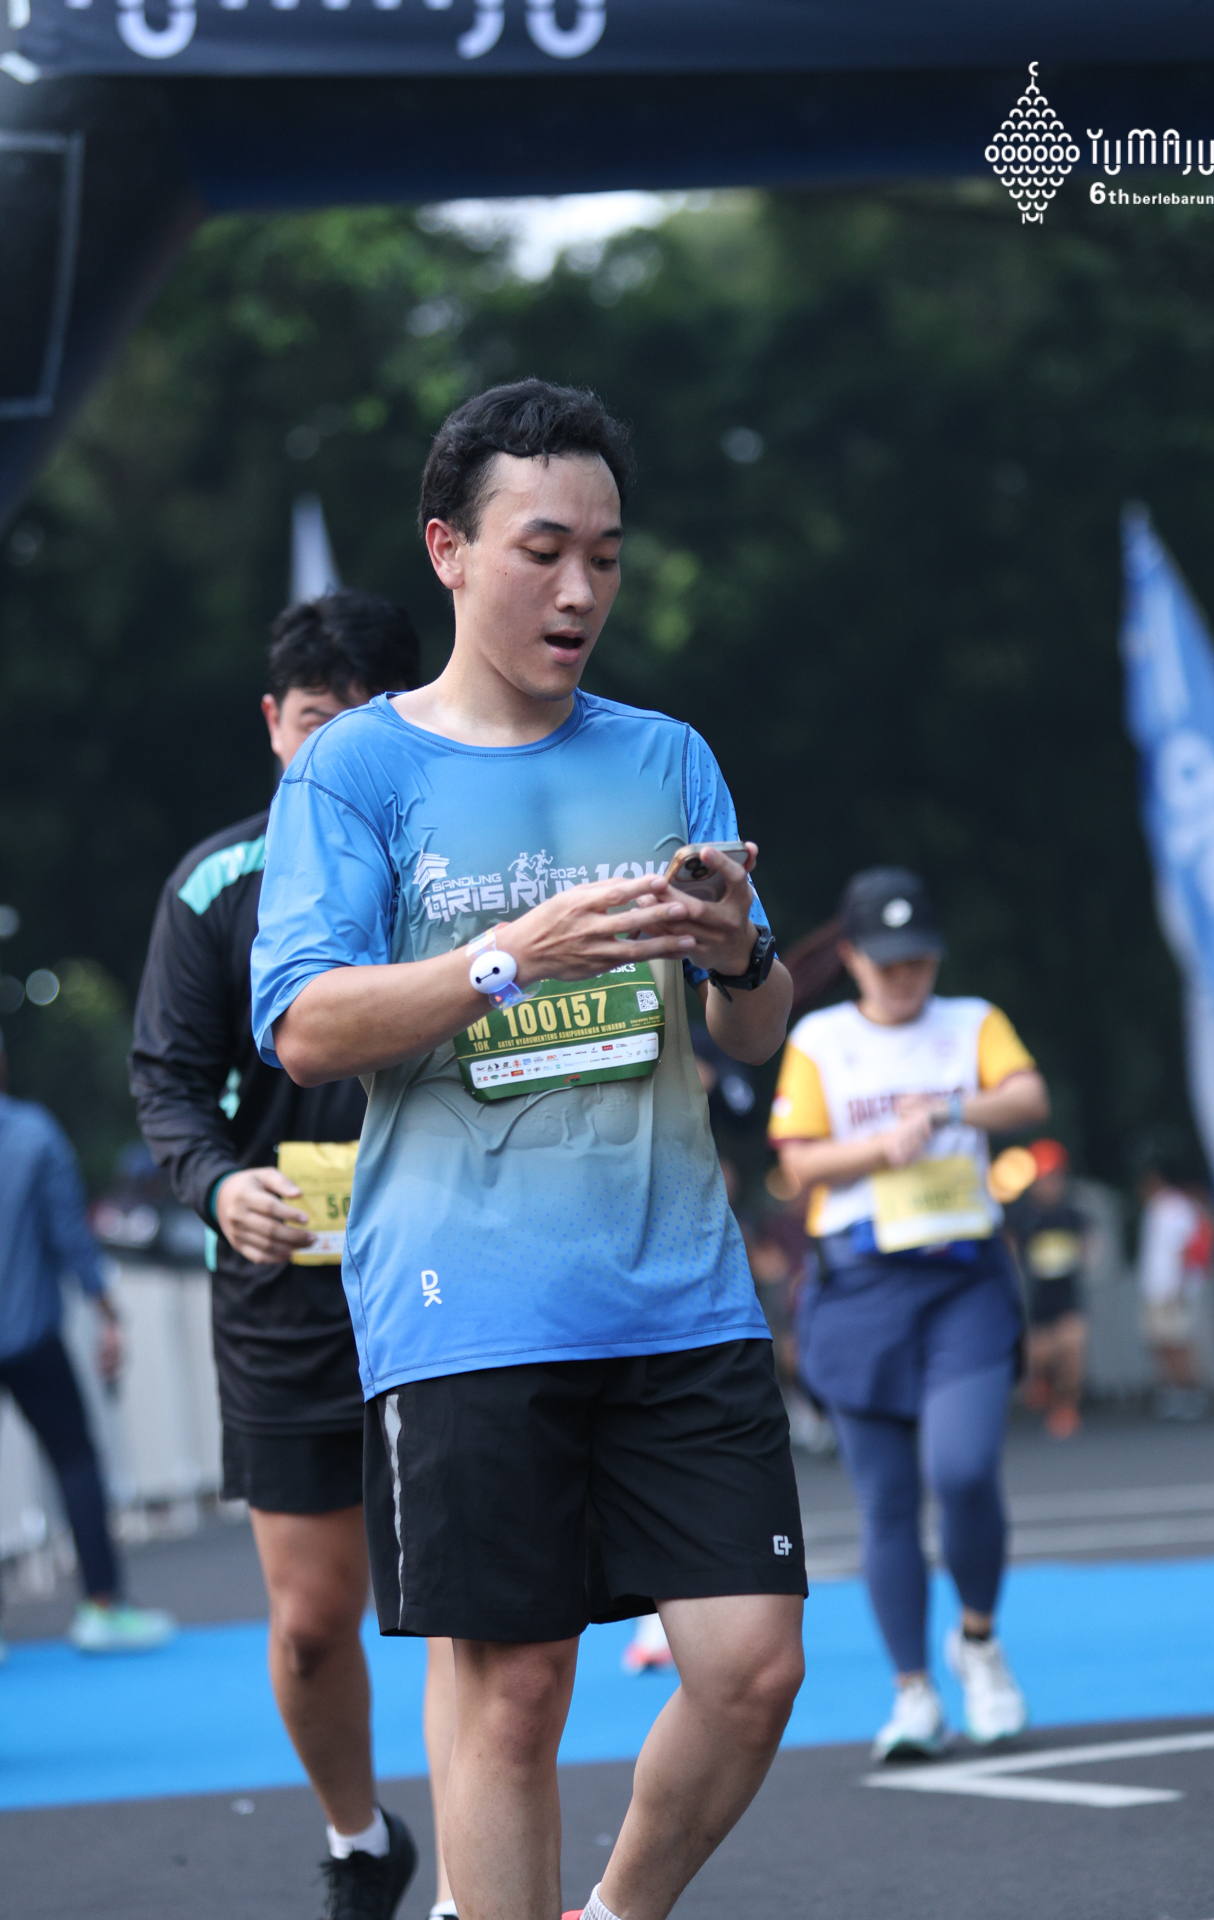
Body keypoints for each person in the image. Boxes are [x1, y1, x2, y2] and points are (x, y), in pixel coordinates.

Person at [250, 380, 807, 1920]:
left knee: (753, 1668)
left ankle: (613, 1911)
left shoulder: (668, 757)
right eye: (543, 551)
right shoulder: (356, 772)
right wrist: (512, 956)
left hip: (679, 1291)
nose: (580, 593)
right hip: (467, 1302)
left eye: (606, 558)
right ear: (448, 549)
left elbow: (755, 1032)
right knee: (514, 1694)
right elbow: (304, 1026)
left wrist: (741, 951)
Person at [130, 591, 453, 1920]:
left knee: (469, 1606)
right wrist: (219, 1189)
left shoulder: (462, 867)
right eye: (316, 722)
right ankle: (361, 1840)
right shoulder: (215, 886)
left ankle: (478, 1877)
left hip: (455, 1277)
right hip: (286, 1298)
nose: (336, 750)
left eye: (367, 723)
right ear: (274, 725)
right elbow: (166, 1082)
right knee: (315, 1627)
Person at [768, 867, 1049, 1760]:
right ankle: (913, 1692)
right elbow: (798, 1163)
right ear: (851, 956)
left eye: (919, 960)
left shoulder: (971, 1022)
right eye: (886, 962)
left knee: (962, 1469)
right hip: (858, 1289)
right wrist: (879, 1148)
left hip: (963, 1280)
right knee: (886, 1503)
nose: (904, 977)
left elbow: (1029, 1097)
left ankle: (979, 1643)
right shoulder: (821, 1039)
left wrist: (952, 1107)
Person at [0, 1029, 174, 1658]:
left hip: (28, 1327)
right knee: (74, 1460)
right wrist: (108, 1314)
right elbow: (70, 1237)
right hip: (28, 1333)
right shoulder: (32, 1133)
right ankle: (101, 1605)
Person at [1008, 1138, 1089, 1439]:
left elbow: (1091, 1250)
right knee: (1038, 1356)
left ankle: (1066, 1407)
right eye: (1043, 1180)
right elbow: (1010, 1255)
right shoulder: (1022, 1218)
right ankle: (1041, 1382)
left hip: (1068, 1300)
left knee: (1072, 1348)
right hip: (1035, 1303)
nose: (1049, 1186)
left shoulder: (1072, 1217)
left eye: (1054, 1179)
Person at [1136, 1160, 1214, 1420]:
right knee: (1161, 1344)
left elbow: (1185, 1247)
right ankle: (1173, 1393)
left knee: (1179, 1343)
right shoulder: (1157, 1208)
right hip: (1156, 1289)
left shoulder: (1175, 1207)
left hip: (1171, 1289)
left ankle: (1191, 1393)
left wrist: (1181, 1286)